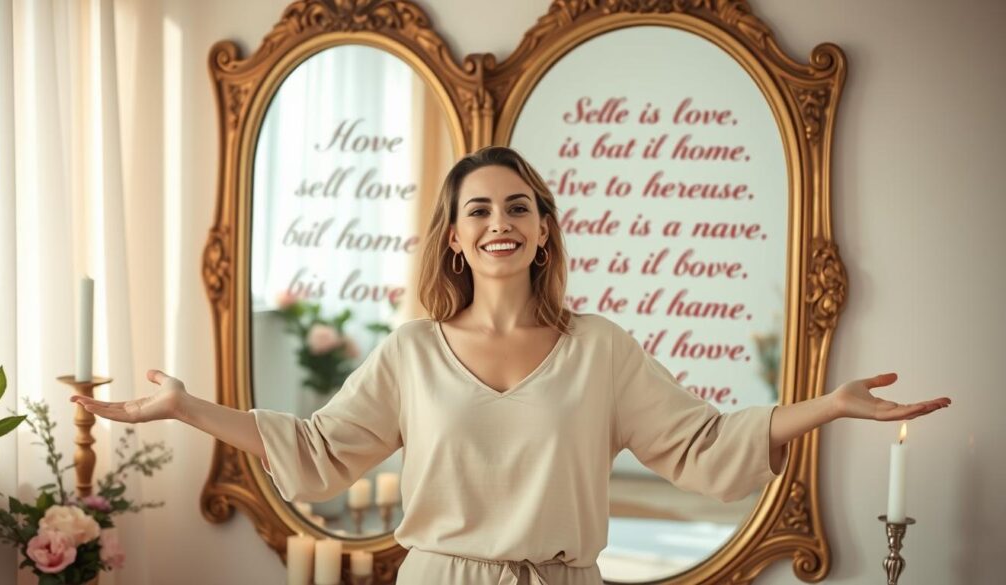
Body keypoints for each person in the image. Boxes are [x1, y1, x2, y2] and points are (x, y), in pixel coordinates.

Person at [72, 146, 951, 585]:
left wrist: (828, 405)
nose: (502, 221)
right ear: (454, 236)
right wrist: (189, 407)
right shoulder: (413, 350)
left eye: (519, 207)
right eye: (481, 209)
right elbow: (313, 446)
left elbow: (705, 444)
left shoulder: (597, 347)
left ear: (542, 230)